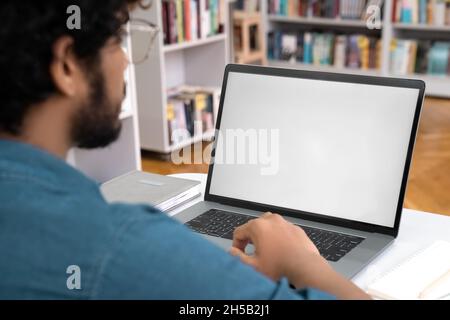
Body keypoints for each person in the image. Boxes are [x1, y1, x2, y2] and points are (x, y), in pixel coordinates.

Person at [0, 0, 370, 299]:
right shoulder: (121, 247)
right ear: (66, 65)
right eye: (117, 39)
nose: (127, 60)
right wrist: (305, 263)